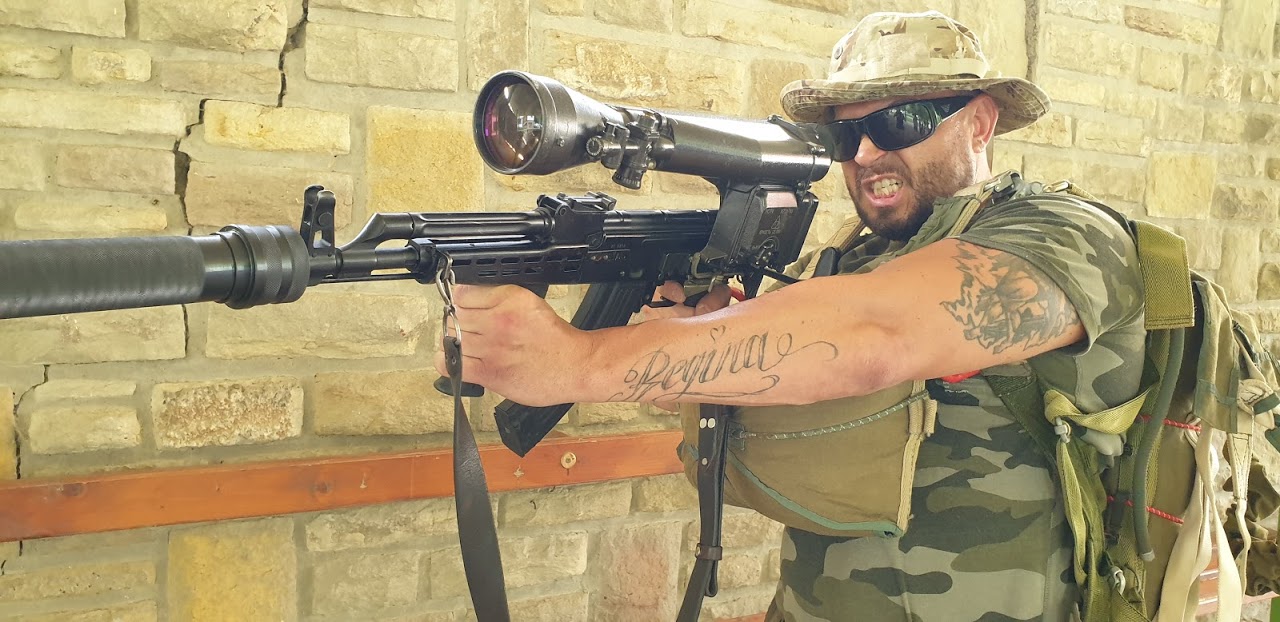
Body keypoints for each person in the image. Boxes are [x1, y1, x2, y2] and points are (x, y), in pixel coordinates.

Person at [437, 11, 1146, 621]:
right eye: (846, 136)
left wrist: (578, 362)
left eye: (897, 122)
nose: (866, 154)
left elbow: (876, 335)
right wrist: (693, 333)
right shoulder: (849, 261)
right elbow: (792, 364)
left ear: (980, 123)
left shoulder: (1064, 235)